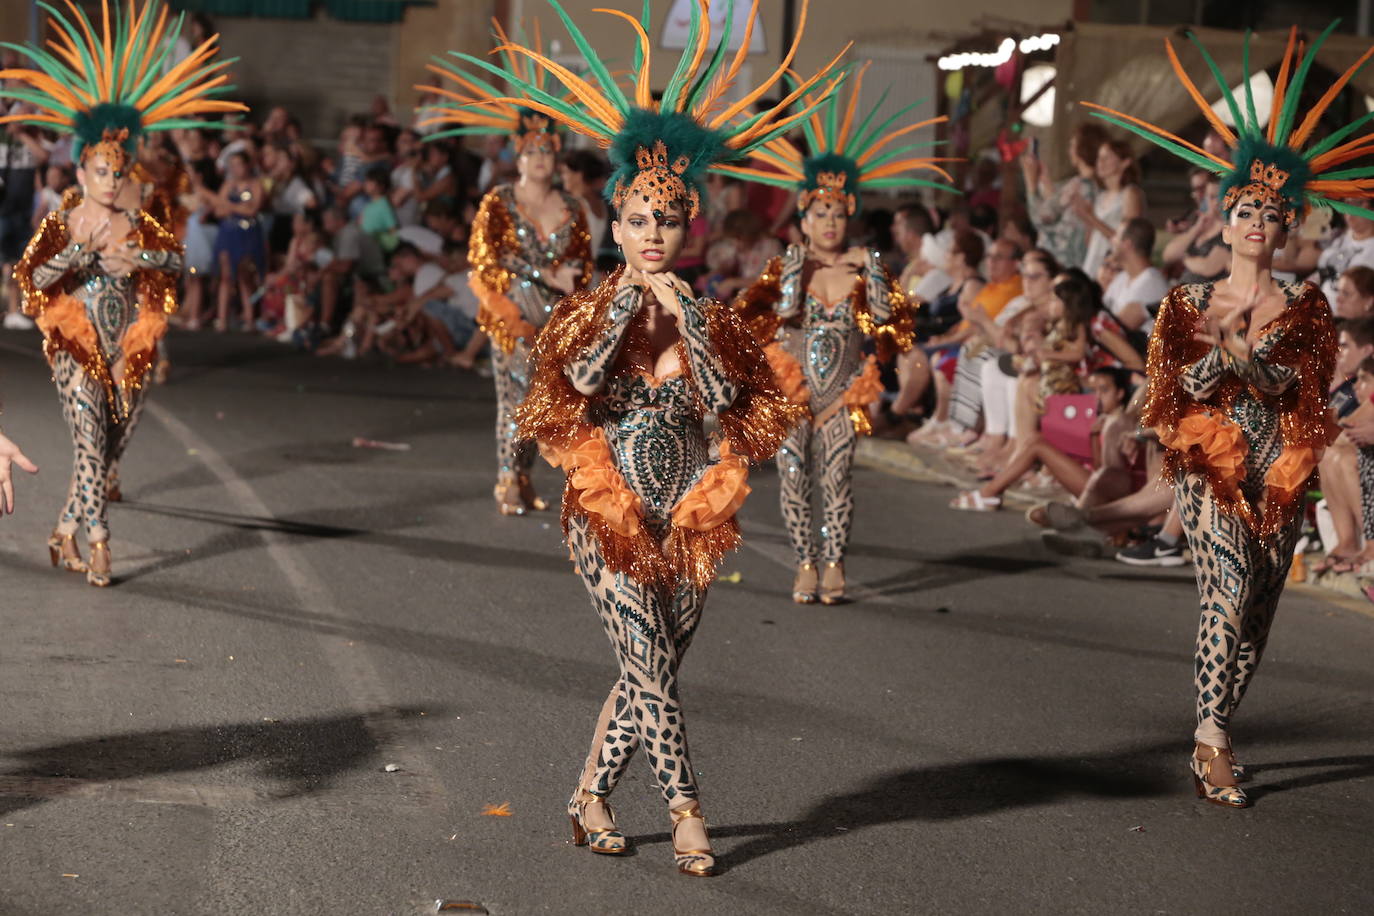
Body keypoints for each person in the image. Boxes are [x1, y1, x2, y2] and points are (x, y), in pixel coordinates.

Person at [429, 0, 838, 876]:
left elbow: (739, 406)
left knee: (649, 667)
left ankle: (589, 795)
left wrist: (690, 325)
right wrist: (625, 305)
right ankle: (690, 812)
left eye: (670, 220)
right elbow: (569, 388)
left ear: (686, 226)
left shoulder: (711, 316)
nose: (655, 233)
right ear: (615, 224)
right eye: (640, 219)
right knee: (650, 658)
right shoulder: (588, 310)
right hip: (605, 506)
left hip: (688, 511)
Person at [1085, 24, 1358, 808]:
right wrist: (1220, 359)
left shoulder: (1310, 304)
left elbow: (1304, 386)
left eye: (1272, 215)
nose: (1256, 224)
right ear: (1225, 213)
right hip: (1210, 469)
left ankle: (1218, 720)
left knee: (1256, 623)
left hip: (1283, 475)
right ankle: (1210, 740)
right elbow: (1163, 397)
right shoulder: (1186, 300)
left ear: (1286, 227)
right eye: (1245, 209)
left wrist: (1253, 363)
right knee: (1226, 590)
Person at [1, 0, 244, 585]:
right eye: (101, 170)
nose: (112, 180)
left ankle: (64, 532)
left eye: (119, 170)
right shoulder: (64, 216)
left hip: (129, 349)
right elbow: (30, 277)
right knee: (88, 440)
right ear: (81, 170)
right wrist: (79, 255)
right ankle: (100, 541)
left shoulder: (141, 218)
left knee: (106, 450)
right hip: (76, 348)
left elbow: (175, 261)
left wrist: (141, 255)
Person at [727, 63, 941, 603]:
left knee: (837, 479)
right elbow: (750, 323)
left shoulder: (864, 267)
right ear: (802, 218)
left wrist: (879, 295)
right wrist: (787, 294)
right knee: (796, 478)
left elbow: (893, 330)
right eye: (819, 213)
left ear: (850, 216)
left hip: (844, 393)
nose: (829, 223)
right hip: (792, 394)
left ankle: (835, 563)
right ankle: (804, 563)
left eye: (837, 214)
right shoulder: (785, 268)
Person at [424, 27, 593, 515]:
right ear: (517, 153)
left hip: (557, 321)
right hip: (512, 312)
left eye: (548, 150)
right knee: (514, 399)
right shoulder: (498, 201)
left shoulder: (574, 206)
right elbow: (484, 258)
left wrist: (571, 282)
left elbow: (580, 266)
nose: (542, 159)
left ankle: (524, 475)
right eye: (533, 151)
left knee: (545, 405)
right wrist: (542, 272)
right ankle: (506, 479)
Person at [1022, 122, 1106, 270]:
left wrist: (1031, 183)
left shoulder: (1079, 185)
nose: (1069, 151)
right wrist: (1047, 184)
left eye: (1072, 146)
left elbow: (1041, 217)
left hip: (1060, 263)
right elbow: (1062, 213)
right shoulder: (1097, 186)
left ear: (1082, 150)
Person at [1076, 138, 1144, 279]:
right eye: (1099, 158)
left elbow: (1128, 240)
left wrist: (1091, 218)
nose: (1100, 163)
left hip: (1114, 268)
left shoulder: (1130, 194)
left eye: (1107, 158)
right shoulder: (1100, 196)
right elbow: (1092, 239)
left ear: (1125, 162)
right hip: (1093, 264)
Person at [1103, 217, 1169, 336]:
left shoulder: (1151, 284)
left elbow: (1115, 331)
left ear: (1127, 245)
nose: (1112, 240)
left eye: (1116, 236)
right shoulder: (1122, 278)